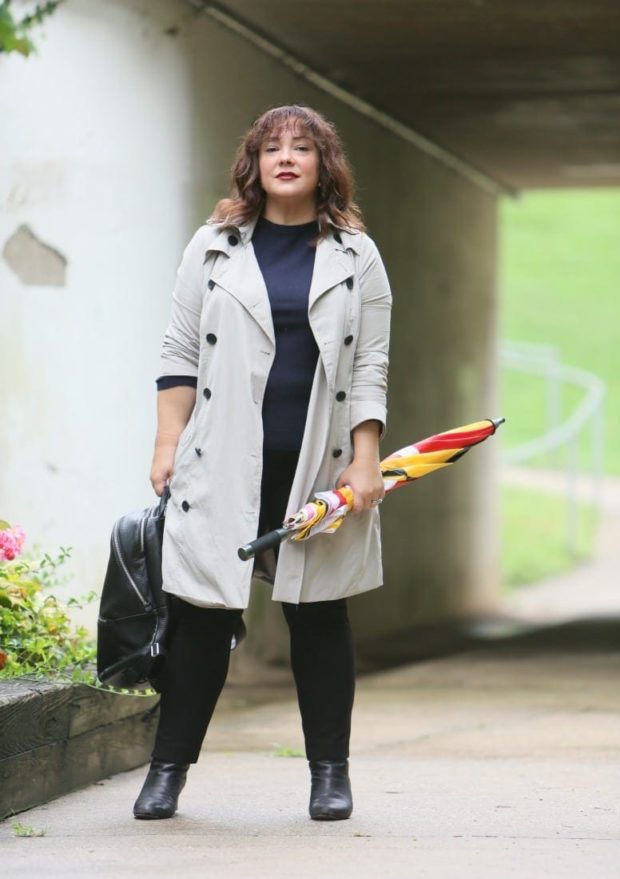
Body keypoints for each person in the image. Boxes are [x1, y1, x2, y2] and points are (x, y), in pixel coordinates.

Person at [133, 104, 393, 821]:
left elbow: (370, 360)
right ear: (253, 162)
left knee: (317, 616)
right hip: (221, 459)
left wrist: (364, 456)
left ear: (322, 164)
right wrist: (166, 443)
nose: (286, 157)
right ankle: (166, 771)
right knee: (202, 618)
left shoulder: (355, 253)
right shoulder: (214, 245)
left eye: (302, 147)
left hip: (316, 462)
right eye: (272, 146)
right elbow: (179, 350)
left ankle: (329, 775)